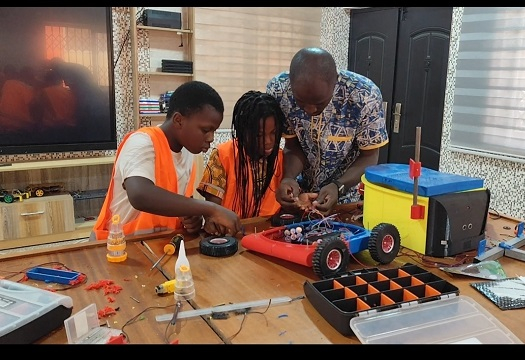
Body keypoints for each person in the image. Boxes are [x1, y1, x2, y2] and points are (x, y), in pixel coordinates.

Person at [91, 80, 242, 241]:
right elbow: (140, 195)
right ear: (178, 120)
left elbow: (179, 203)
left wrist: (192, 219)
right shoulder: (141, 142)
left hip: (159, 245)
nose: (211, 138)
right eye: (205, 130)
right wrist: (211, 209)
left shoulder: (188, 153)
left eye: (214, 130)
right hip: (119, 247)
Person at [266, 47, 389, 216]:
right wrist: (289, 178)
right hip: (302, 197)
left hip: (347, 199)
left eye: (319, 102)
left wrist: (339, 186)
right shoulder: (280, 91)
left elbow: (369, 156)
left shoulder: (364, 96)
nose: (309, 109)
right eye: (301, 101)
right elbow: (293, 146)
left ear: (335, 83)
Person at [196, 90, 285, 219]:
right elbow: (213, 213)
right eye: (259, 135)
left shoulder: (282, 159)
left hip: (269, 232)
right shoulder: (223, 155)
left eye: (273, 133)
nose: (268, 141)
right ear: (243, 132)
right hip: (231, 233)